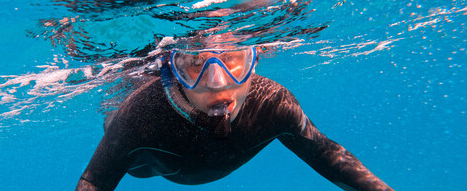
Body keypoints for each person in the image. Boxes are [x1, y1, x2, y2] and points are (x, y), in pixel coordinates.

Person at [75, 35, 394, 191]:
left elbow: (326, 153)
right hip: (146, 164)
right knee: (116, 117)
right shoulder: (138, 116)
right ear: (174, 68)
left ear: (254, 60)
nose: (217, 83)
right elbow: (94, 181)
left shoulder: (273, 104)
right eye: (196, 63)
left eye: (232, 60)